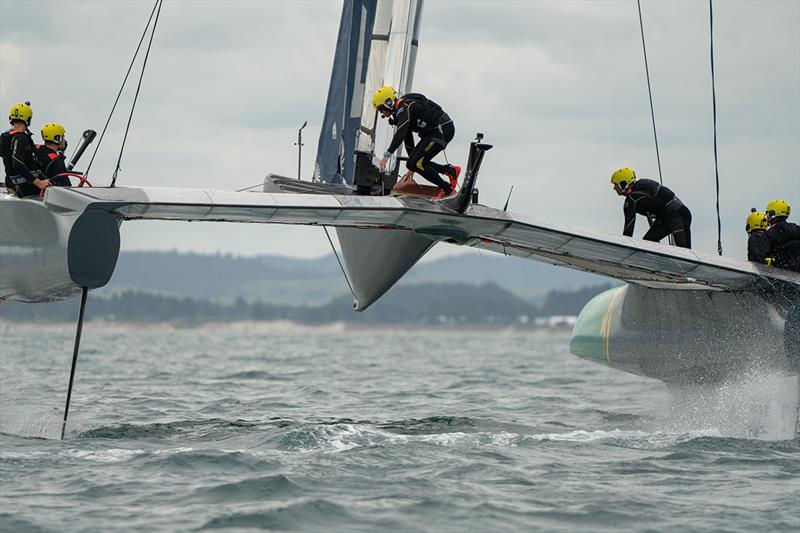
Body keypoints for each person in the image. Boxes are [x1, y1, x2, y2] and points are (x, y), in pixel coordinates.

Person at [372, 86, 460, 198]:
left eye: (381, 108)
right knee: (414, 163)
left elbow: (401, 133)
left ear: (388, 102)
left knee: (417, 163)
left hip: (443, 130)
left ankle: (448, 190)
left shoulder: (404, 108)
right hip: (433, 133)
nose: (381, 112)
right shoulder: (399, 112)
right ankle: (450, 171)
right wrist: (412, 167)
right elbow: (407, 138)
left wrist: (386, 156)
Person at [610, 167, 692, 248]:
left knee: (685, 252)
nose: (614, 188)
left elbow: (628, 229)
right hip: (665, 218)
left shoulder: (631, 200)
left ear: (623, 184)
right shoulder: (640, 187)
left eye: (615, 185)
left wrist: (623, 248)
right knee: (648, 244)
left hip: (678, 216)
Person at [0, 102, 48, 197]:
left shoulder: (6, 136)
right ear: (28, 119)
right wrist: (39, 183)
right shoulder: (21, 138)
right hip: (27, 188)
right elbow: (17, 164)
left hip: (15, 185)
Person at [749, 199, 800, 272]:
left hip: (779, 275)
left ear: (772, 214)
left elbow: (758, 258)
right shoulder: (797, 229)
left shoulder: (770, 233)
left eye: (768, 213)